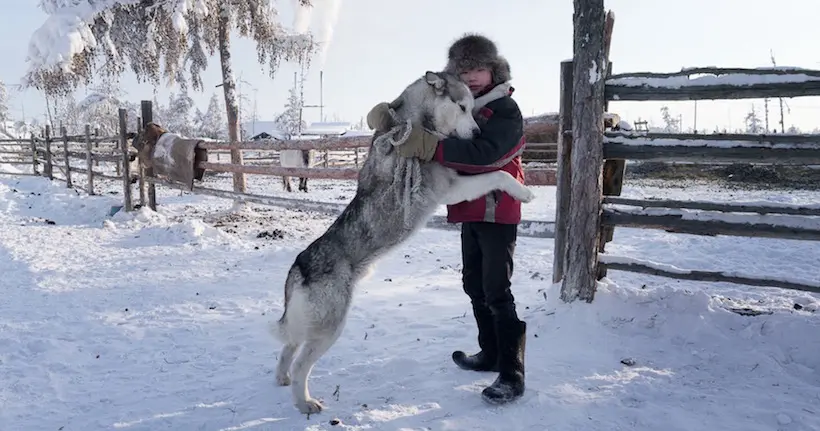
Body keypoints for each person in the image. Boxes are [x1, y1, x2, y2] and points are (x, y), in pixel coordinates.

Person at [367, 33, 527, 405]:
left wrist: (430, 147)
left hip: (498, 208)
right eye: (464, 70)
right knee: (473, 284)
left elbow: (485, 155)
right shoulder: (461, 105)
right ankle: (489, 353)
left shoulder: (504, 110)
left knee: (497, 291)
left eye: (479, 68)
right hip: (470, 207)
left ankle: (512, 373)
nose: (471, 76)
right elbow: (422, 118)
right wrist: (392, 118)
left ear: (493, 69)